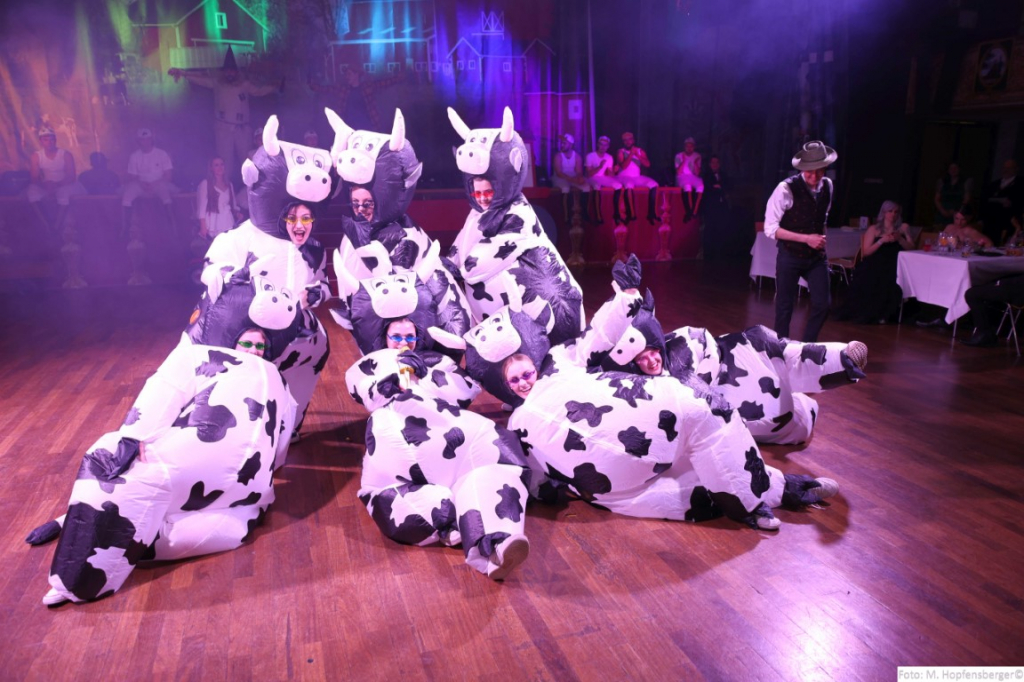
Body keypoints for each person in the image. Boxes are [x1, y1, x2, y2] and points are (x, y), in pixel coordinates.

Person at [26, 274, 299, 605]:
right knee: (127, 470)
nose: (254, 351)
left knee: (123, 474)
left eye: (260, 347)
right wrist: (134, 437)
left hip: (233, 491)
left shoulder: (274, 381)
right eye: (247, 344)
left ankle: (77, 574)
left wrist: (133, 436)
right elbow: (163, 396)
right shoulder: (207, 357)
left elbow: (280, 440)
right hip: (228, 491)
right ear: (233, 341)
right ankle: (78, 537)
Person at [346, 346, 531, 580]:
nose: (404, 342)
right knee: (437, 499)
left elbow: (465, 388)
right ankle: (467, 530)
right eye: (397, 337)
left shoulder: (425, 382)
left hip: (456, 457)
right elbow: (384, 470)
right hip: (419, 479)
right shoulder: (382, 414)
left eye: (409, 337)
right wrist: (394, 383)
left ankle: (497, 543)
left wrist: (428, 369)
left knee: (488, 474)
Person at [168, 47, 280, 183]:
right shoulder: (217, 83)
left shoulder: (243, 84)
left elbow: (259, 90)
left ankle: (253, 187)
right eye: (227, 71)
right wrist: (183, 73)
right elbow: (200, 79)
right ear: (224, 72)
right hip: (223, 128)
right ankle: (224, 187)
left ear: (236, 72)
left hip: (242, 128)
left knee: (248, 159)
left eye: (232, 71)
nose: (230, 73)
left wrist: (275, 87)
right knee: (224, 162)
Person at [764, 140, 837, 342]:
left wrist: (820, 240)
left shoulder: (828, 186)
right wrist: (806, 239)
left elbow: (822, 217)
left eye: (819, 171)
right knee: (784, 306)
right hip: (790, 254)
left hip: (816, 257)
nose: (814, 177)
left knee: (823, 304)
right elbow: (770, 229)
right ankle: (781, 350)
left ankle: (806, 347)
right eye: (809, 172)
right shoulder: (785, 189)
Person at [837, 200, 915, 324]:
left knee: (895, 277)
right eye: (890, 211)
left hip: (894, 263)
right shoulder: (874, 229)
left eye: (896, 212)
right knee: (872, 275)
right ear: (884, 212)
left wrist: (902, 237)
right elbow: (866, 252)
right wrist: (881, 241)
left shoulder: (900, 230)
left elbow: (911, 248)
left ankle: (886, 313)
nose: (893, 214)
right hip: (875, 261)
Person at [26, 126, 84, 231]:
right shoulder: (36, 156)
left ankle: (57, 226)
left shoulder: (65, 154)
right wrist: (45, 185)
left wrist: (57, 185)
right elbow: (34, 177)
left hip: (65, 184)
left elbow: (71, 176)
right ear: (41, 141)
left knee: (63, 194)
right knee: (32, 193)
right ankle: (45, 224)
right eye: (46, 140)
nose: (49, 142)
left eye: (52, 139)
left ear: (55, 140)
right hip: (46, 184)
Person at [122, 128, 177, 236]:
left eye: (147, 139)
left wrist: (155, 183)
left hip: (159, 183)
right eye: (142, 140)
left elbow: (168, 176)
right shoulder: (134, 156)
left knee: (165, 194)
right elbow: (133, 176)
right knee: (127, 194)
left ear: (152, 139)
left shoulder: (161, 154)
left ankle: (172, 227)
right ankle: (125, 228)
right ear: (138, 141)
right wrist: (142, 184)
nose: (145, 142)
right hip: (140, 184)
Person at [961, 274, 1024, 347]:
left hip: (1017, 289)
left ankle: (984, 334)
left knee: (972, 294)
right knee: (979, 289)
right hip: (1014, 284)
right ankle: (987, 334)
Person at [614, 131, 658, 224]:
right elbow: (623, 166)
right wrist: (631, 154)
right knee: (629, 185)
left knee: (654, 184)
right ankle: (631, 214)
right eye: (625, 140)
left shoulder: (640, 151)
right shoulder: (621, 151)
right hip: (624, 176)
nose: (627, 142)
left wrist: (637, 155)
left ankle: (651, 213)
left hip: (636, 177)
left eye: (629, 140)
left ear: (633, 140)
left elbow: (647, 164)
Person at [196, 157, 242, 240]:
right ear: (211, 168)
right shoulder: (206, 184)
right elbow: (201, 208)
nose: (220, 167)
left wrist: (237, 213)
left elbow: (233, 205)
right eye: (216, 165)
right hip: (214, 222)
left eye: (222, 164)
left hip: (228, 220)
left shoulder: (229, 184)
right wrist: (203, 226)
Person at [980, 159, 1022, 245]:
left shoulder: (1020, 184)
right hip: (990, 221)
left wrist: (1011, 204)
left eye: (1009, 168)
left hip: (1008, 222)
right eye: (1004, 168)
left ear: (1016, 169)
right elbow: (985, 200)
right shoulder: (994, 184)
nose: (1006, 170)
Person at [551, 133, 591, 223]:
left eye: (564, 143)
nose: (562, 145)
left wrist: (579, 178)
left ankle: (584, 213)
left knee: (586, 187)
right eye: (561, 143)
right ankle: (566, 216)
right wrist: (574, 180)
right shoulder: (558, 156)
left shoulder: (577, 156)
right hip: (559, 177)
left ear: (571, 144)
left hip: (572, 175)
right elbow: (559, 173)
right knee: (565, 188)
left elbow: (579, 171)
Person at [585, 135, 623, 223]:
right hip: (592, 177)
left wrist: (615, 171)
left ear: (608, 146)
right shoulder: (590, 156)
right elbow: (589, 174)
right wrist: (600, 167)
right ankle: (598, 215)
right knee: (596, 185)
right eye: (601, 144)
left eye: (605, 145)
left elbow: (610, 175)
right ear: (598, 145)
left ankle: (617, 213)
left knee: (618, 185)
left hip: (602, 177)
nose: (603, 147)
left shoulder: (609, 157)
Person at [700, 155, 730, 260]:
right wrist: (715, 188)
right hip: (710, 207)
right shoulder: (706, 175)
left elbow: (728, 186)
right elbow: (707, 188)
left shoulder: (723, 175)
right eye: (713, 163)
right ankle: (708, 254)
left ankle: (719, 254)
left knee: (721, 228)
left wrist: (719, 187)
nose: (715, 165)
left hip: (721, 206)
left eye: (717, 162)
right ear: (710, 164)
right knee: (709, 229)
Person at [933, 161, 973, 226]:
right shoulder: (942, 181)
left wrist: (957, 212)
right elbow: (937, 199)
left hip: (959, 211)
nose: (953, 170)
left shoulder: (965, 182)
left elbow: (967, 199)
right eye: (951, 168)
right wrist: (943, 211)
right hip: (944, 211)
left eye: (955, 168)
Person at [674, 137, 703, 222]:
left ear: (694, 147)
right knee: (687, 186)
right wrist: (683, 161)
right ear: (684, 147)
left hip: (693, 176)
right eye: (687, 146)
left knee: (700, 186)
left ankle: (695, 211)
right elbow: (678, 172)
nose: (689, 148)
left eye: (691, 146)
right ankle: (689, 211)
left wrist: (695, 163)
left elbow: (697, 173)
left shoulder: (697, 156)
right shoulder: (679, 156)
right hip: (682, 176)